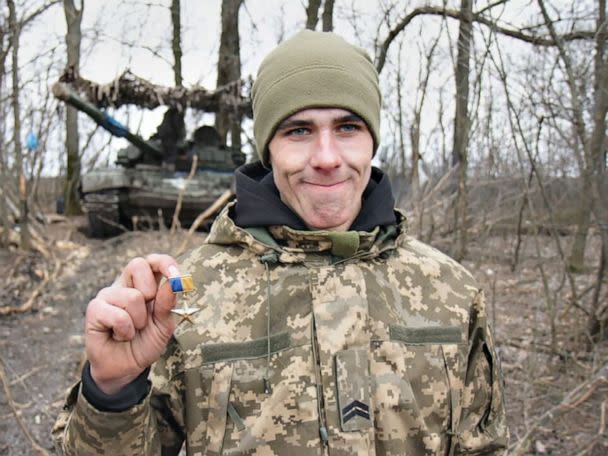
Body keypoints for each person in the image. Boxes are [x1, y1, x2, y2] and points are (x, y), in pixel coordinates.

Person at [53, 30, 508, 455]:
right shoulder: (185, 297)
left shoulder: (450, 292)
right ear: (268, 148)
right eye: (298, 130)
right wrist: (112, 391)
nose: (327, 158)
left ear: (372, 140)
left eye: (348, 127)